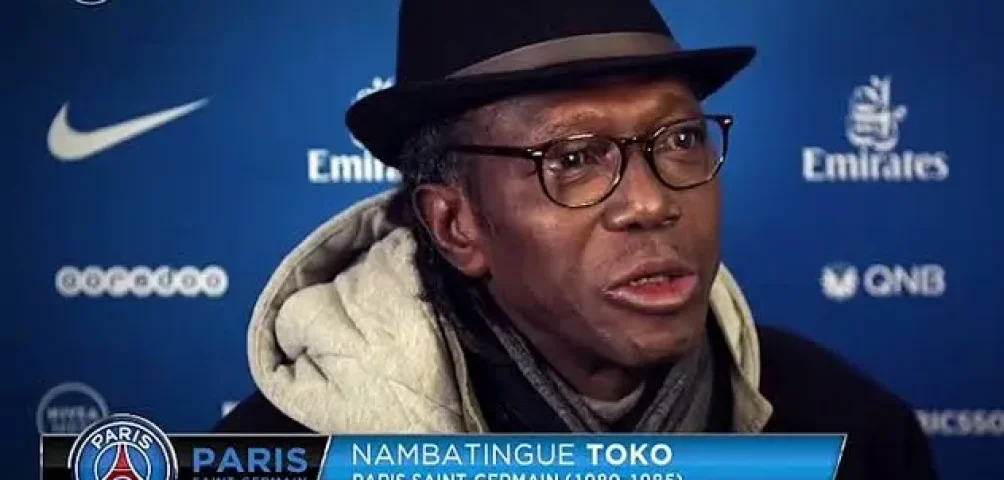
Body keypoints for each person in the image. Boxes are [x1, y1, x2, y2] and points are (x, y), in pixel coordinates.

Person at [216, 0, 939, 477]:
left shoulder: (852, 434)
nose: (651, 202)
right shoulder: (287, 457)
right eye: (573, 158)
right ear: (456, 226)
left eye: (681, 139)